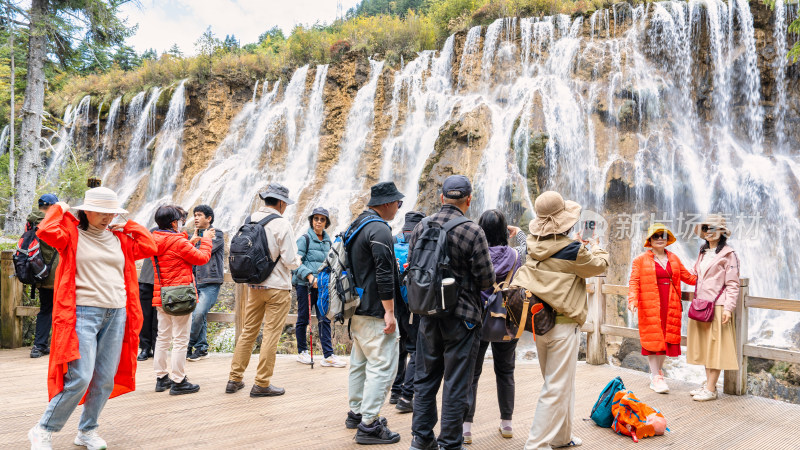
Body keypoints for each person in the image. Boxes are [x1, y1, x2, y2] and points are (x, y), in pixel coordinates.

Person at [27, 187, 157, 450]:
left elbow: (149, 246)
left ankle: (87, 430)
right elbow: (45, 231)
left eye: (111, 213)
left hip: (117, 312)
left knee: (105, 379)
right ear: (86, 210)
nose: (107, 217)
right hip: (83, 312)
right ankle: (43, 429)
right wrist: (59, 208)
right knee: (81, 377)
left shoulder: (119, 238)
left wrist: (129, 224)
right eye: (101, 212)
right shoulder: (72, 234)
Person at [512, 191, 609, 450]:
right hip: (563, 326)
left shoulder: (532, 245)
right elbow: (598, 266)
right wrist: (595, 246)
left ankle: (561, 437)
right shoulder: (573, 250)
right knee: (556, 387)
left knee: (558, 383)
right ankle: (536, 445)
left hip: (539, 323)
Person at [409, 175, 495, 450]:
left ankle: (421, 440)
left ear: (442, 197)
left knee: (425, 378)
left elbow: (413, 267)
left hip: (427, 314)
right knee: (457, 383)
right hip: (463, 318)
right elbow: (486, 280)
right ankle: (449, 444)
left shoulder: (421, 226)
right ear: (469, 200)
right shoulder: (472, 230)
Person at [226, 183, 301, 397]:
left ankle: (234, 379)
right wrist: (298, 260)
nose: (285, 207)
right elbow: (290, 260)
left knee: (248, 332)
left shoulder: (250, 220)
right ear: (279, 202)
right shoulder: (282, 224)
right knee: (270, 335)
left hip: (254, 287)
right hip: (277, 288)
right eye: (284, 203)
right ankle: (261, 383)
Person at [345, 181, 404, 445]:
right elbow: (383, 273)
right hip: (374, 310)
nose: (399, 207)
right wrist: (389, 311)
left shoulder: (356, 226)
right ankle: (369, 424)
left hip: (356, 306)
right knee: (382, 366)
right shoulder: (380, 230)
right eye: (398, 203)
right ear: (387, 203)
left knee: (359, 363)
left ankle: (356, 412)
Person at [464, 209, 526, 443]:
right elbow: (529, 247)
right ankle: (507, 424)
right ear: (504, 232)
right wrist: (518, 233)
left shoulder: (474, 253)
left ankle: (466, 428)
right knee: (506, 371)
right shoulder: (516, 255)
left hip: (477, 319)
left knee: (472, 374)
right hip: (506, 319)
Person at [151, 205, 214, 395]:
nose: (181, 223)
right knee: (180, 339)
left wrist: (190, 240)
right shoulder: (178, 242)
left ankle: (161, 378)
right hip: (180, 297)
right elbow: (201, 258)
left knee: (162, 337)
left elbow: (173, 252)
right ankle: (178, 380)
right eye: (179, 220)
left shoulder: (154, 238)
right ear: (173, 223)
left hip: (161, 295)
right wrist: (206, 241)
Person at [628, 223, 696, 394]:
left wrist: (709, 278)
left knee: (666, 338)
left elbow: (687, 277)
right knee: (653, 339)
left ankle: (657, 374)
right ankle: (656, 376)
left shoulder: (674, 258)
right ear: (650, 240)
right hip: (650, 303)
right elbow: (634, 281)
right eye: (656, 236)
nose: (660, 239)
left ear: (667, 240)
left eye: (663, 236)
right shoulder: (640, 260)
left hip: (670, 303)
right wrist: (632, 300)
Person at [687, 214, 740, 402]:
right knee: (706, 345)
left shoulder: (729, 254)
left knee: (716, 346)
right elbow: (695, 275)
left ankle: (710, 388)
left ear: (721, 232)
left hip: (718, 306)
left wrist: (728, 308)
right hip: (702, 304)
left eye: (713, 228)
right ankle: (709, 384)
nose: (709, 232)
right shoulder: (702, 251)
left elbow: (733, 284)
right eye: (706, 228)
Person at [293, 207, 345, 368]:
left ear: (326, 223)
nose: (319, 222)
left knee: (324, 318)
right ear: (312, 220)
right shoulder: (304, 239)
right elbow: (295, 262)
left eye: (322, 219)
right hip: (305, 286)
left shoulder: (329, 242)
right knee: (303, 318)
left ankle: (328, 355)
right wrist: (309, 276)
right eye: (316, 219)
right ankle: (302, 351)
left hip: (322, 286)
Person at [390, 210, 425, 414]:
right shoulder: (420, 242)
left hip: (394, 305)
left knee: (401, 347)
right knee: (415, 349)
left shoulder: (393, 240)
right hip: (414, 304)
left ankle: (395, 391)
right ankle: (406, 396)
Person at [187, 204, 225, 361]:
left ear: (209, 218)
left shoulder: (217, 234)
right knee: (198, 315)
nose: (196, 218)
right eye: (195, 215)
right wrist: (192, 240)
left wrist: (195, 241)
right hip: (194, 281)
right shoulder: (193, 235)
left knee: (199, 313)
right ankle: (202, 348)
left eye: (200, 215)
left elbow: (204, 250)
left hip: (210, 281)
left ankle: (187, 344)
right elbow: (187, 254)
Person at [27, 194, 60, 359]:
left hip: (40, 272)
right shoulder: (52, 221)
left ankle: (39, 346)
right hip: (56, 274)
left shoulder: (31, 221)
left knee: (45, 309)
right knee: (61, 311)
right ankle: (56, 346)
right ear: (53, 206)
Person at [137, 230, 158, 362]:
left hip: (163, 283)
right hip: (146, 280)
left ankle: (157, 348)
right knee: (145, 317)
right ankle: (145, 347)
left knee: (159, 319)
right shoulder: (152, 232)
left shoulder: (179, 235)